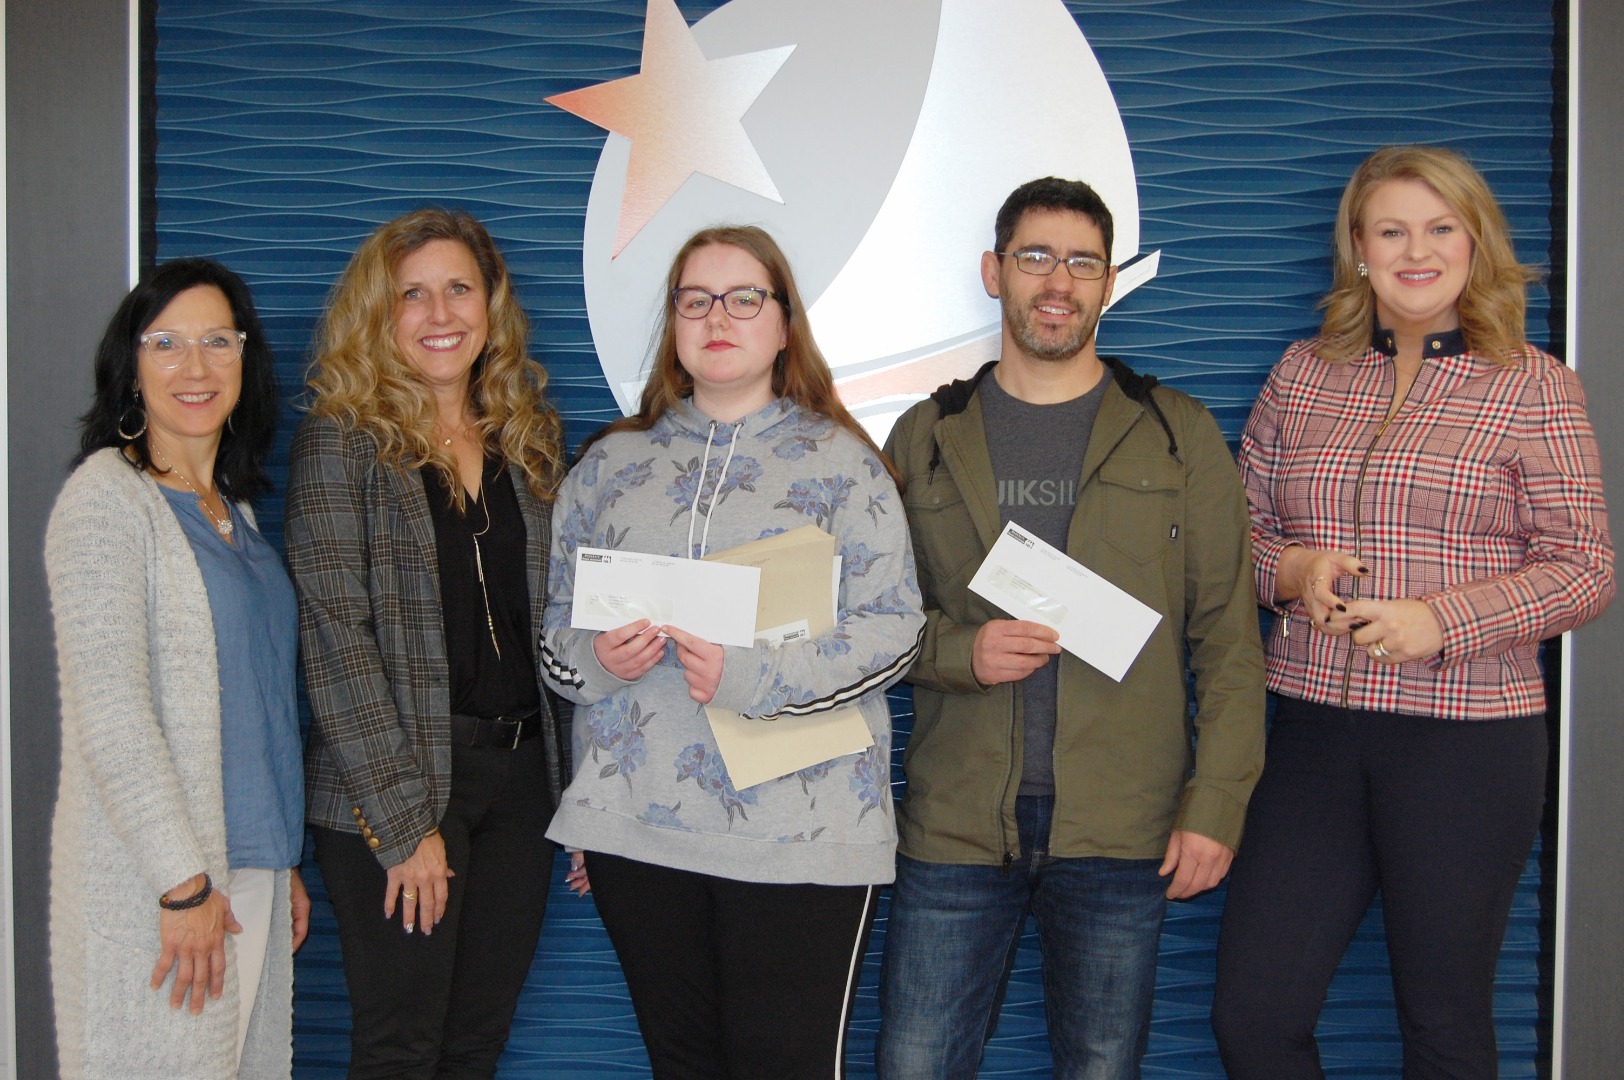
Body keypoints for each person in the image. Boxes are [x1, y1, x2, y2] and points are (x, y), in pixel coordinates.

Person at [1209, 145, 1615, 1079]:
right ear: (1359, 249)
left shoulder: (1534, 384)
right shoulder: (1303, 374)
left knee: (1443, 1026)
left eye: (1441, 228)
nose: (1416, 251)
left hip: (1467, 743)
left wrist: (1443, 622)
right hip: (1315, 733)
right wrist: (1294, 570)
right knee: (1254, 1017)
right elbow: (1240, 539)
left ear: (1477, 244)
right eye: (1392, 230)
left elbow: (1586, 567)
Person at [876, 177, 1266, 1080]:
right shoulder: (926, 434)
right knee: (916, 1064)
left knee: (1101, 1067)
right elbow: (873, 620)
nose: (1059, 281)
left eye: (1083, 262)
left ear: (1108, 283)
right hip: (956, 825)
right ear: (993, 272)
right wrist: (957, 653)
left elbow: (1230, 643)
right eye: (1036, 257)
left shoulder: (1177, 435)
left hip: (1123, 829)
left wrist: (1216, 806)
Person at [539, 224, 924, 1079]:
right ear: (673, 322)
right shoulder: (609, 466)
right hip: (640, 832)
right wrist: (604, 659)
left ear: (784, 324)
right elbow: (556, 646)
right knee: (684, 1065)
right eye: (695, 299)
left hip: (804, 828)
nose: (719, 316)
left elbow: (895, 629)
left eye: (745, 298)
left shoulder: (845, 466)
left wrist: (754, 677)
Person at [285, 207, 569, 1078]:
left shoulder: (525, 435)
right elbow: (336, 638)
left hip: (521, 782)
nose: (440, 313)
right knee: (401, 1047)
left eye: (459, 289)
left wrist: (582, 788)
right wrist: (407, 827)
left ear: (492, 304)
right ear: (381, 311)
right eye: (413, 295)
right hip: (400, 782)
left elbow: (558, 626)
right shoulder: (344, 437)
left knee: (476, 1044)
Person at [46, 258, 309, 1078]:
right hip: (169, 887)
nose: (194, 367)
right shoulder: (107, 501)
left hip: (251, 866)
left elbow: (261, 700)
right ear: (131, 365)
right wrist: (182, 884)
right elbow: (112, 713)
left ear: (244, 360)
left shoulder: (236, 512)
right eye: (166, 343)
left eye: (216, 342)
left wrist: (279, 861)